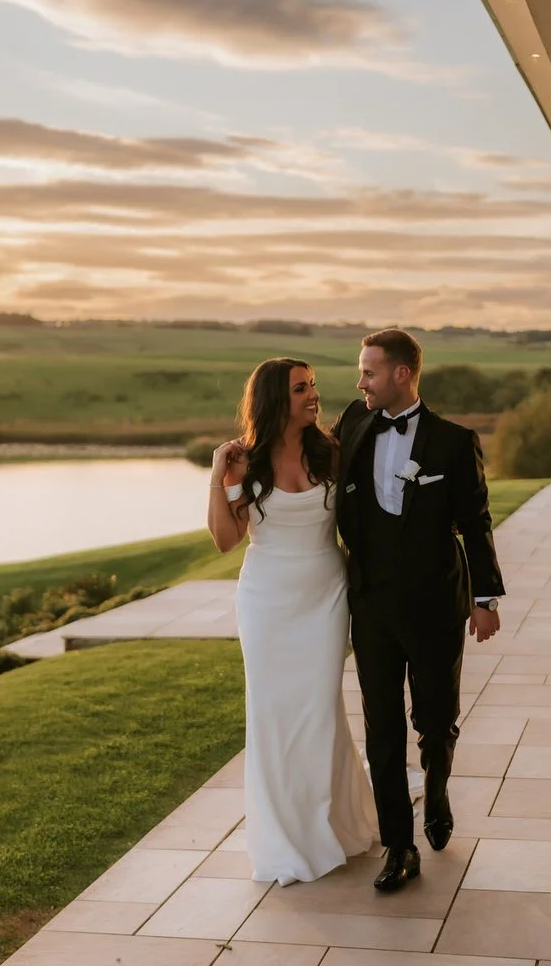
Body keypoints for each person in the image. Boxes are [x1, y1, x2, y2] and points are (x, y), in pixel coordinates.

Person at [333, 328, 505, 892]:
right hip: (372, 605)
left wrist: (484, 599)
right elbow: (299, 458)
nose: (360, 382)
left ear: (402, 374)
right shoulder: (352, 425)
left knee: (434, 718)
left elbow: (475, 522)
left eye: (370, 372)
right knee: (381, 728)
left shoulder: (453, 442)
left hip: (435, 604)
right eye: (361, 372)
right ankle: (399, 847)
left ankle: (436, 784)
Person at [206, 357, 379, 886]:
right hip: (266, 602)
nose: (313, 395)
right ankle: (288, 836)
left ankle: (333, 823)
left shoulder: (331, 451)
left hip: (325, 594)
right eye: (301, 388)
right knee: (275, 716)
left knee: (320, 711)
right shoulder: (246, 462)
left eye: (313, 385)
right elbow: (224, 540)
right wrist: (219, 476)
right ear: (275, 400)